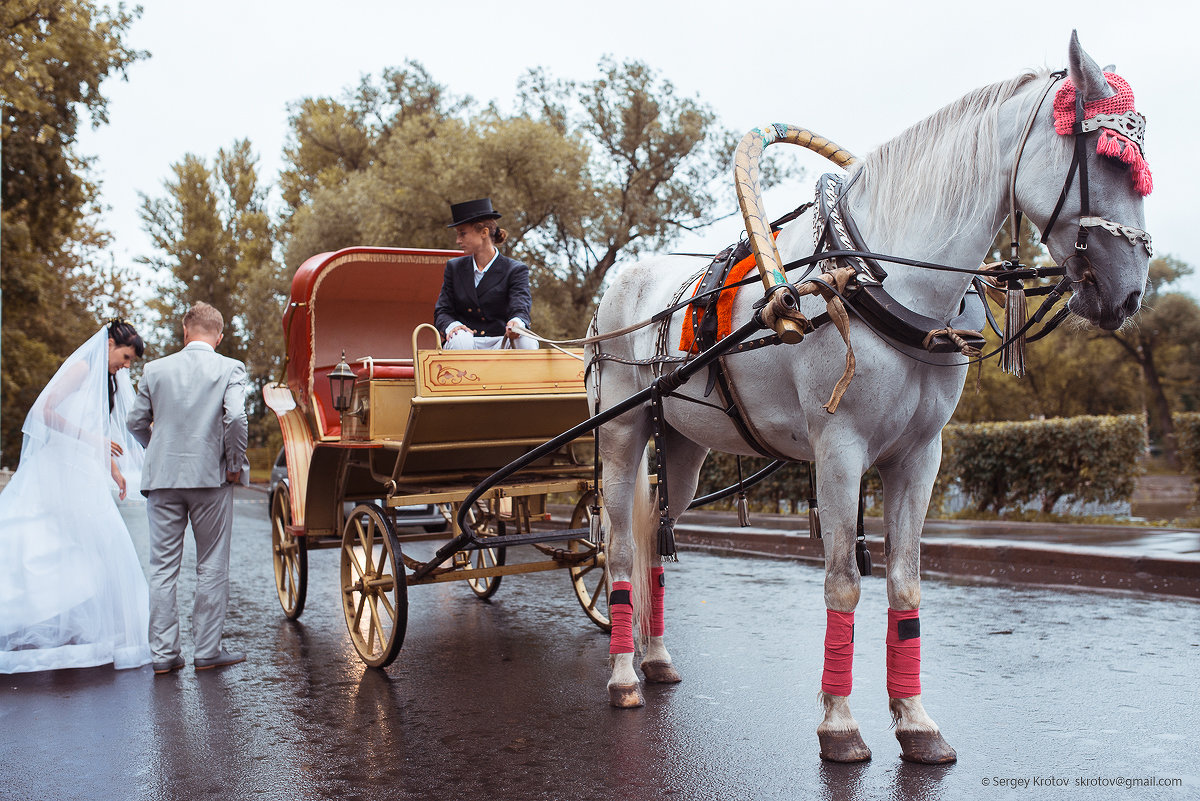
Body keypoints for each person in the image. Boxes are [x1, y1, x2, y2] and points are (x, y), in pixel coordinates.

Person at [0, 320, 152, 674]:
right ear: (111, 343)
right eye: (126, 357)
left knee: (84, 548)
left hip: (83, 471)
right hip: (56, 469)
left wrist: (112, 468)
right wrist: (91, 441)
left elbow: (102, 429)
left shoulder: (107, 380)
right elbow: (43, 412)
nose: (126, 366)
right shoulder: (83, 367)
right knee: (50, 543)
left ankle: (73, 634)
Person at [127, 302, 249, 675]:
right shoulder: (230, 368)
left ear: (185, 331)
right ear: (220, 334)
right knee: (211, 564)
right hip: (210, 479)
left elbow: (135, 422)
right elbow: (237, 417)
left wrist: (159, 450)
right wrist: (232, 465)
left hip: (163, 480)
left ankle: (164, 655)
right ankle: (207, 651)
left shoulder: (154, 369)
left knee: (162, 568)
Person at [434, 197, 538, 350]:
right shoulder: (454, 268)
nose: (458, 240)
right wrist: (453, 326)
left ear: (484, 232)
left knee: (526, 339)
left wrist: (516, 323)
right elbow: (442, 310)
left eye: (462, 234)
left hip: (502, 340)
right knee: (460, 339)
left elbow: (520, 305)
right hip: (466, 342)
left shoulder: (515, 269)